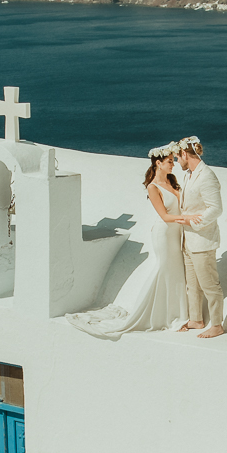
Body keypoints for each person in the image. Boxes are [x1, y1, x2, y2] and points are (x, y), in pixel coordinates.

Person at [64, 142, 190, 338]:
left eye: (173, 161)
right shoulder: (153, 187)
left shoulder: (172, 182)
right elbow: (165, 216)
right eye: (169, 161)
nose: (173, 164)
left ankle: (178, 315)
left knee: (177, 273)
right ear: (158, 163)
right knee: (164, 271)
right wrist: (187, 219)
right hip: (164, 234)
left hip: (176, 234)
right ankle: (159, 317)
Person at [175, 136, 224, 338]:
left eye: (178, 157)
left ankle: (217, 325)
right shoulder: (189, 175)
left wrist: (191, 222)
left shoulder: (207, 176)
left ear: (185, 154)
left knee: (209, 285)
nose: (178, 161)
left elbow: (216, 209)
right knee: (192, 284)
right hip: (188, 240)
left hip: (202, 240)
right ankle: (196, 319)